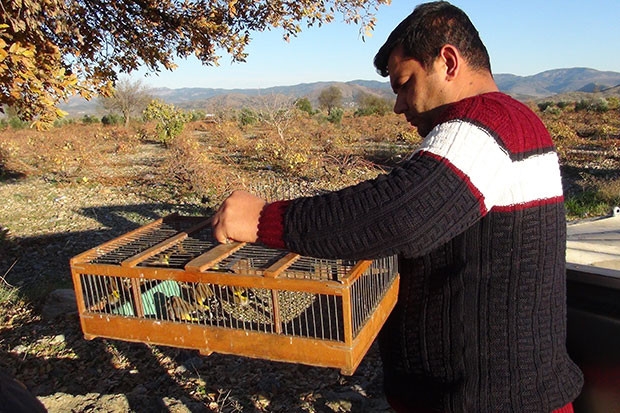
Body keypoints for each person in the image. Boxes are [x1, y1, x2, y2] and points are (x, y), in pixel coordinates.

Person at [211, 2, 583, 412]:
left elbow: (400, 215)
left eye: (405, 83)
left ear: (447, 61)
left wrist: (264, 219)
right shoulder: (499, 124)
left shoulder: (488, 123)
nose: (398, 106)